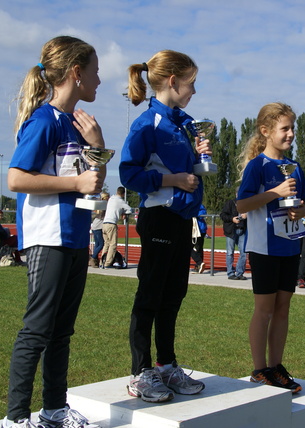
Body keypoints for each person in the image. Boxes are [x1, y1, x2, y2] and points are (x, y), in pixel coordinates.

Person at [3, 36, 105, 428]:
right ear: (76, 74)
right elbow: (16, 178)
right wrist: (75, 186)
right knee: (37, 330)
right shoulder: (44, 120)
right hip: (49, 238)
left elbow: (91, 184)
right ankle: (15, 420)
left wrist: (96, 145)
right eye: (95, 72)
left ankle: (54, 411)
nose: (99, 80)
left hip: (76, 237)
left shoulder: (77, 124)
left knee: (62, 332)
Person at [119, 50, 210, 404]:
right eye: (192, 83)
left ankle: (167, 364)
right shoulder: (147, 124)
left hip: (181, 219)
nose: (195, 92)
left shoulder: (181, 123)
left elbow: (190, 177)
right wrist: (173, 178)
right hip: (158, 217)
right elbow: (129, 174)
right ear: (173, 81)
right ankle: (141, 372)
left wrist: (200, 157)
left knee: (174, 295)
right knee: (150, 295)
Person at [236, 102, 305, 393]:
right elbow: (242, 205)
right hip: (264, 247)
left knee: (283, 309)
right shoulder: (258, 166)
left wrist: (300, 211)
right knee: (264, 310)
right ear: (266, 131)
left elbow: (304, 204)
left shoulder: (295, 167)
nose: (291, 133)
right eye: (285, 128)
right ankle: (259, 369)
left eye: (293, 128)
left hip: (289, 246)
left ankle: (276, 366)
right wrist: (274, 193)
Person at [102, 187, 132, 268]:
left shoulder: (111, 198)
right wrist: (124, 213)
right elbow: (130, 209)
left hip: (104, 223)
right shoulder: (121, 201)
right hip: (111, 224)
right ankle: (107, 263)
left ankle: (102, 262)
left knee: (106, 244)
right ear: (123, 194)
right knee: (113, 245)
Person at [220, 193, 247, 280]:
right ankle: (230, 273)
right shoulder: (230, 203)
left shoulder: (247, 204)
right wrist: (232, 219)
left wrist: (247, 216)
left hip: (242, 230)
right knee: (230, 253)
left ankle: (239, 273)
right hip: (231, 231)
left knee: (244, 253)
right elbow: (223, 215)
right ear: (236, 194)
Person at [89, 192, 109, 268]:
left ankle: (95, 260)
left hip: (95, 224)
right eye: (108, 197)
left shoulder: (100, 203)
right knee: (101, 244)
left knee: (97, 243)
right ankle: (93, 257)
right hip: (98, 225)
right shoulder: (105, 204)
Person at [191, 204, 208, 273]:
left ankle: (199, 263)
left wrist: (193, 213)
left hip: (199, 229)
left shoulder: (199, 205)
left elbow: (203, 213)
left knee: (198, 247)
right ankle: (199, 265)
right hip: (194, 229)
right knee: (198, 248)